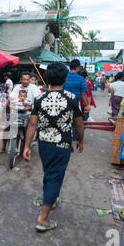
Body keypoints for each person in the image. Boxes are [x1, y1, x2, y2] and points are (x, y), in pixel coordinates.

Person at [23, 62, 84, 232]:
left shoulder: (39, 99)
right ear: (65, 79)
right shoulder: (72, 98)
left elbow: (32, 124)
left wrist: (27, 146)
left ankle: (52, 200)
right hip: (62, 144)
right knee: (55, 177)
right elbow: (79, 124)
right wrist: (80, 141)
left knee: (50, 173)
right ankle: (42, 219)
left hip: (44, 144)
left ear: (47, 79)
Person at [0, 72, 40, 154]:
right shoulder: (17, 87)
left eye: (27, 79)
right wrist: (5, 104)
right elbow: (11, 97)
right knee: (5, 127)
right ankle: (3, 147)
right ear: (21, 80)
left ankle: (27, 146)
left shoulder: (34, 88)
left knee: (32, 128)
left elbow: (38, 99)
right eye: (24, 79)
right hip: (16, 111)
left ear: (30, 80)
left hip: (30, 113)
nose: (26, 81)